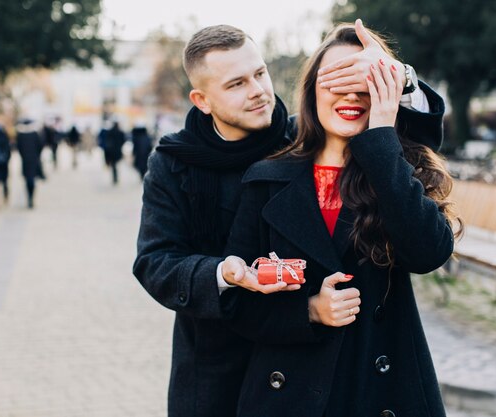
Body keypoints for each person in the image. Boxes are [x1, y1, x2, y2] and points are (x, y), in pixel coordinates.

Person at [133, 22, 447, 417]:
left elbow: (400, 147)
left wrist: (400, 79)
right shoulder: (173, 164)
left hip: (314, 359)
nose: (259, 91)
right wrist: (224, 273)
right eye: (236, 84)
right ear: (202, 100)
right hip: (218, 357)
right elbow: (154, 262)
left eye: (260, 73)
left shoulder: (303, 138)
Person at [221, 23, 462, 417]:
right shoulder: (265, 181)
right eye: (336, 79)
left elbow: (428, 253)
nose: (351, 93)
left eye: (365, 81)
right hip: (289, 393)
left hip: (379, 390)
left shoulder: (398, 172)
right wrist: (309, 310)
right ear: (312, 89)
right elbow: (238, 305)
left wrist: (382, 133)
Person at [15, 118, 43, 208]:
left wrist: (23, 155)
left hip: (25, 161)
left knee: (28, 180)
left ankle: (29, 197)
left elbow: (19, 148)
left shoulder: (20, 135)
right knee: (32, 179)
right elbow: (40, 146)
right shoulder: (34, 134)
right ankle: (31, 197)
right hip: (34, 160)